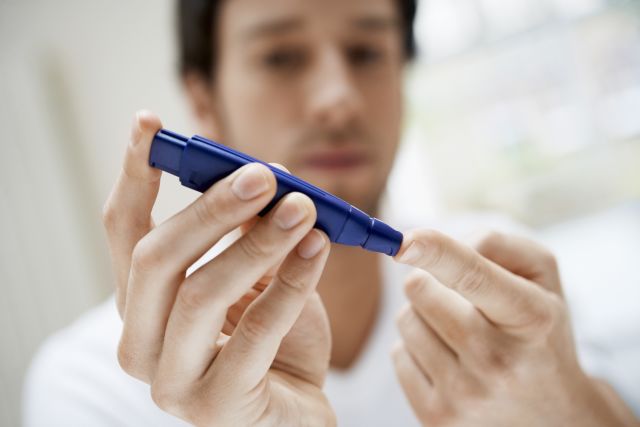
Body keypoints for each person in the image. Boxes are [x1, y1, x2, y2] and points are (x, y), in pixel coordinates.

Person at [23, 0, 640, 425]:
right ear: (202, 98)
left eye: (367, 52)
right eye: (281, 57)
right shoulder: (87, 385)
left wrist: (574, 414)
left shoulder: (508, 293)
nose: (337, 98)